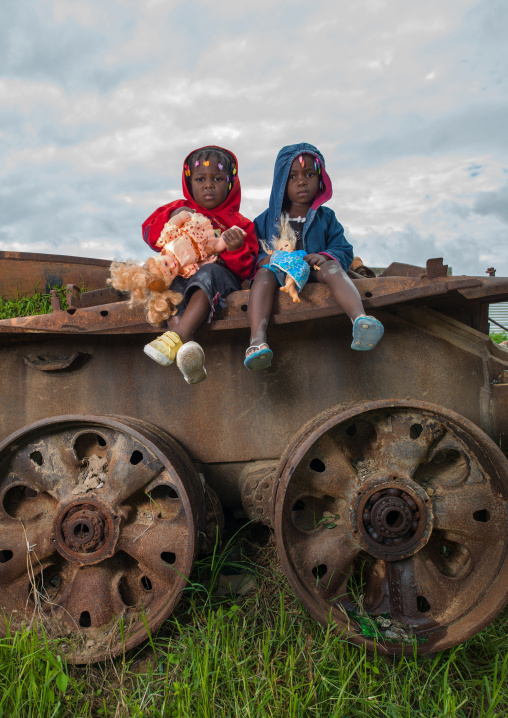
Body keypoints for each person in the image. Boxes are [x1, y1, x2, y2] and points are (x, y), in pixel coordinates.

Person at [245, 142, 384, 370]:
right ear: (281, 182)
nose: (302, 181)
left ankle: (360, 320)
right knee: (263, 276)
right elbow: (254, 251)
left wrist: (325, 256)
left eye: (309, 174)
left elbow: (343, 248)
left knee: (333, 269)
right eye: (292, 176)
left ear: (320, 178)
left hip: (315, 272)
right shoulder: (266, 219)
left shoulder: (326, 217)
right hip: (281, 275)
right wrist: (267, 259)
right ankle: (257, 340)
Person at [142, 146, 258, 384]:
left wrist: (236, 249)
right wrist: (173, 214)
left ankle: (178, 336)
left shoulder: (240, 224)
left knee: (209, 271)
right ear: (189, 182)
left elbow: (246, 270)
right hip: (184, 276)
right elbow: (150, 234)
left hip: (219, 281)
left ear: (230, 183)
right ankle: (186, 350)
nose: (208, 185)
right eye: (200, 179)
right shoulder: (180, 208)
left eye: (217, 179)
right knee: (170, 285)